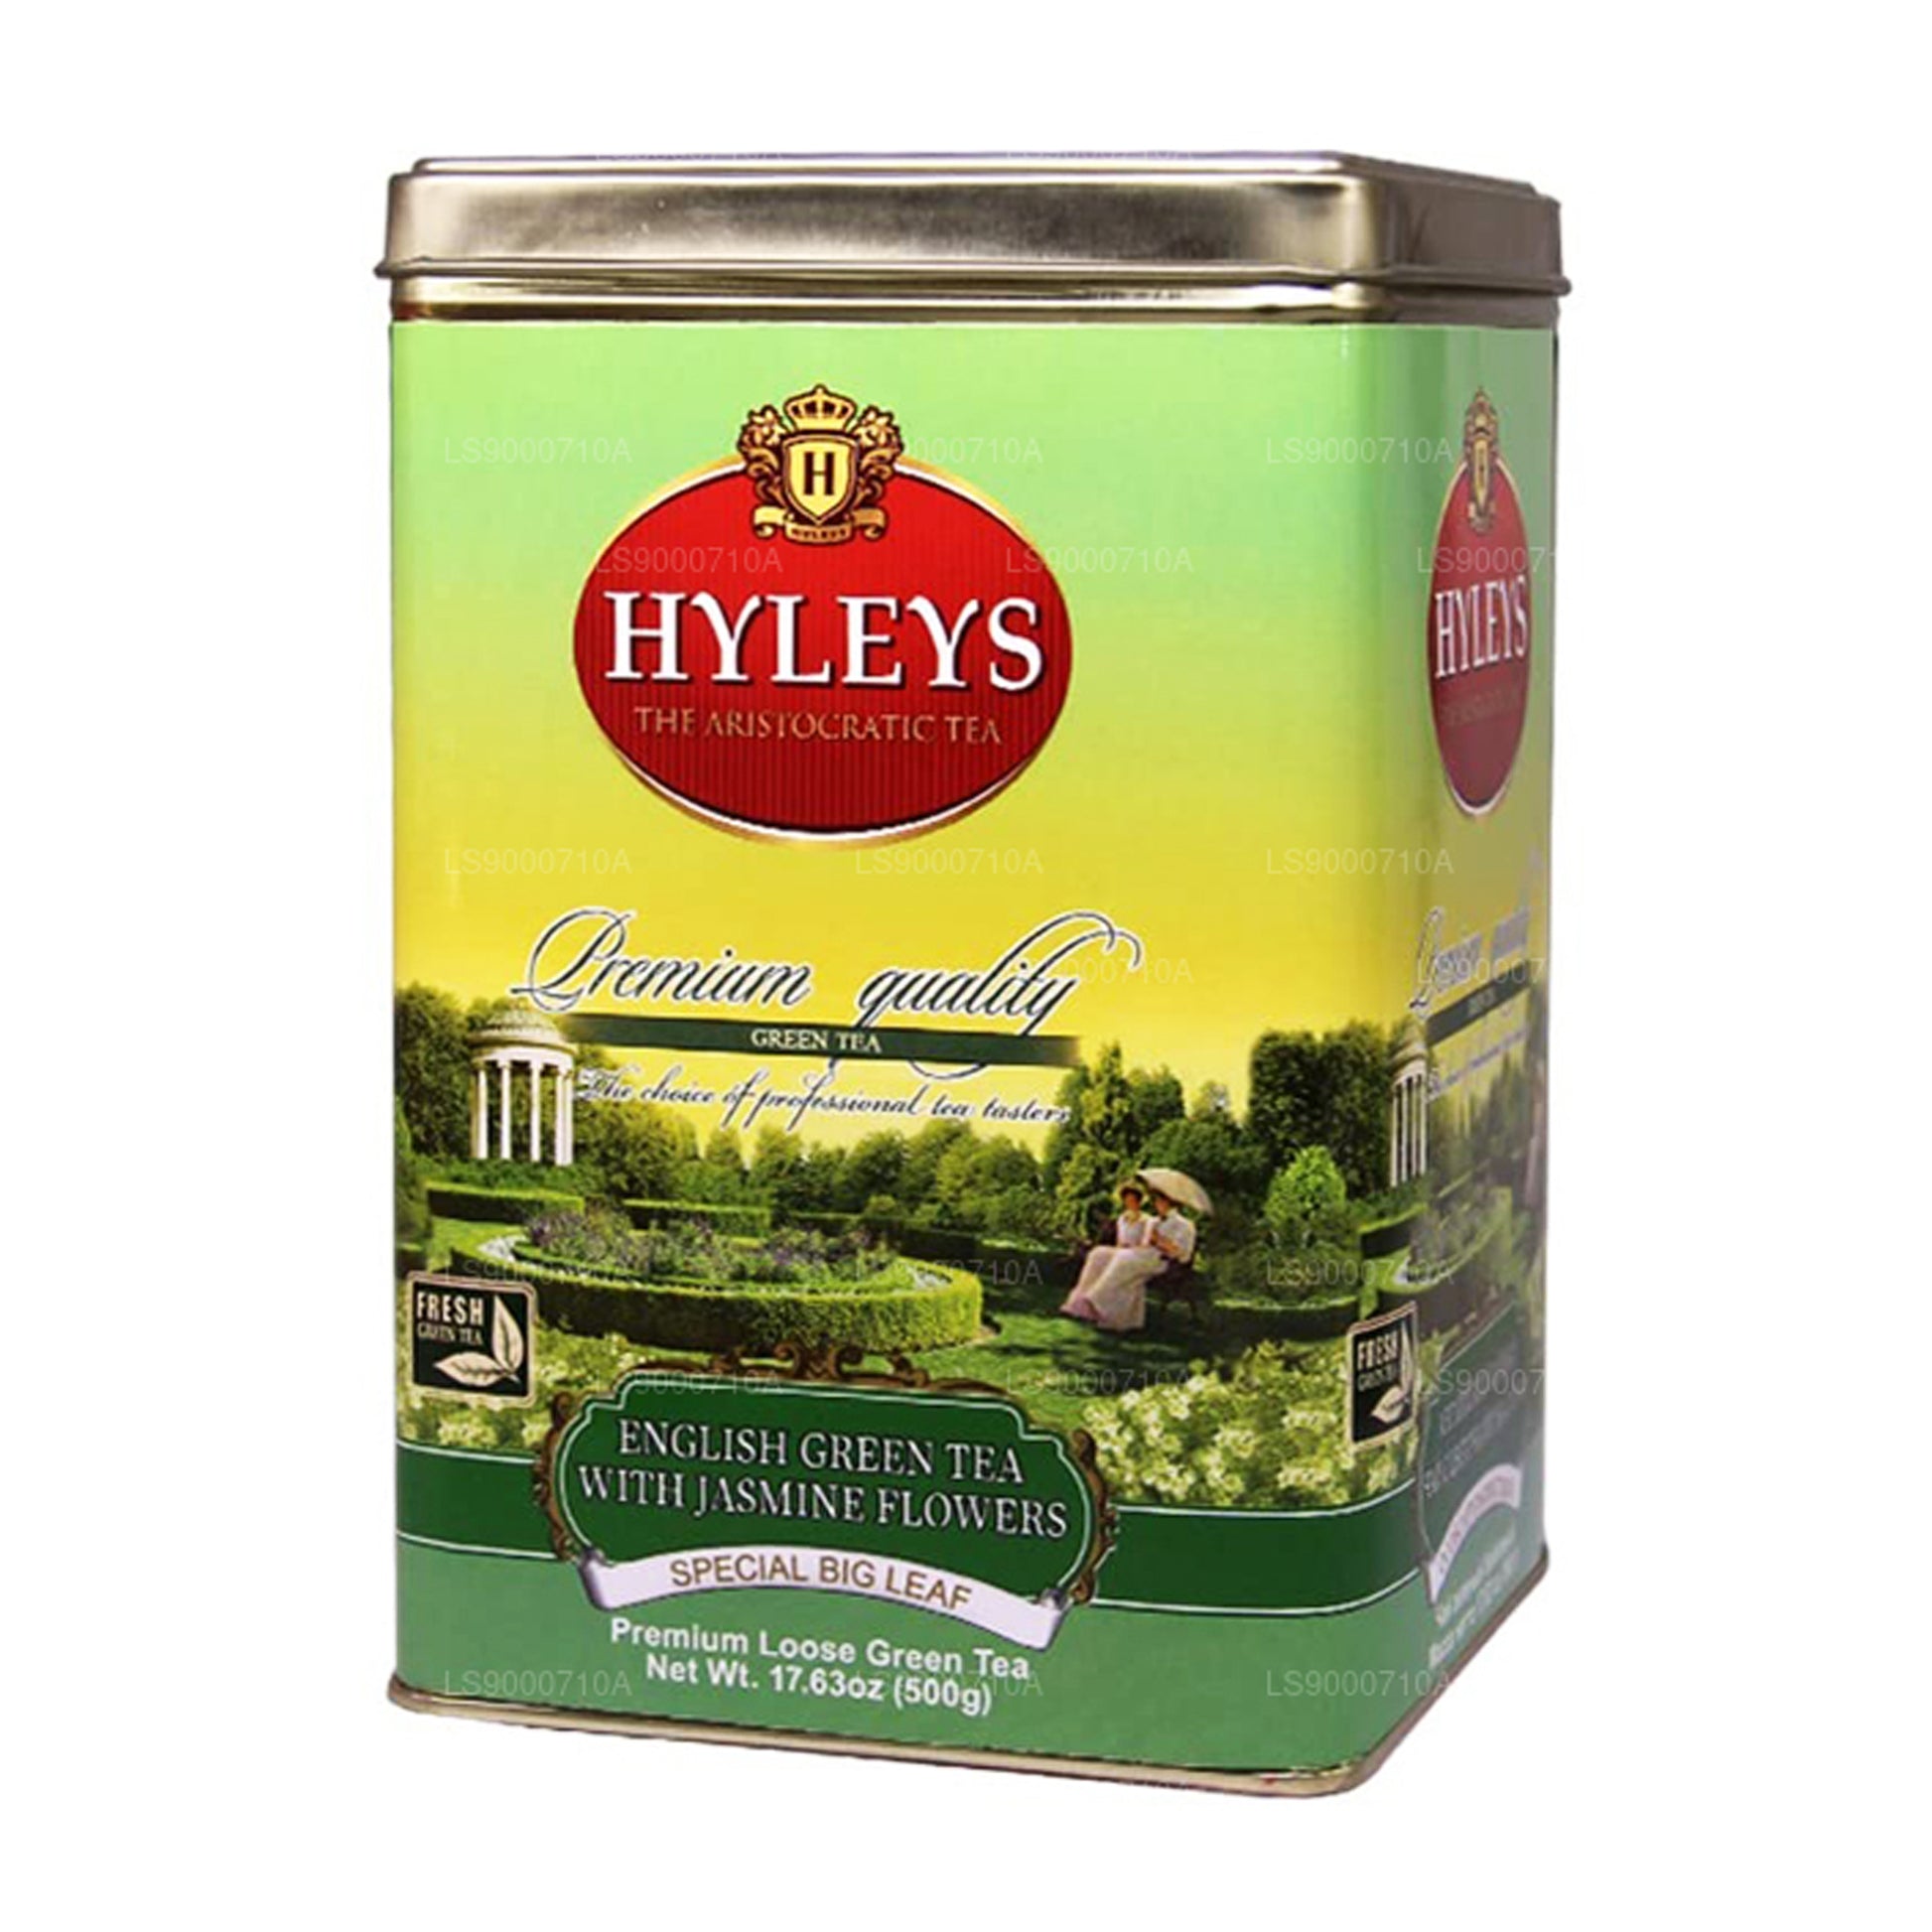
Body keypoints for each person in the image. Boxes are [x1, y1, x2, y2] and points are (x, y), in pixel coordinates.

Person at [1061, 1186, 1196, 1332]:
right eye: (1157, 1201)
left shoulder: (1185, 1225)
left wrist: (1158, 1240)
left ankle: (1103, 1306)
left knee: (1124, 1258)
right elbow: (1144, 1243)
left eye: (1160, 1201)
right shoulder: (1155, 1221)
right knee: (1099, 1254)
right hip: (1144, 1253)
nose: (1157, 1204)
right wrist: (1143, 1242)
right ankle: (1080, 1303)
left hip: (1162, 1261)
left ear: (1171, 1203)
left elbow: (1180, 1253)